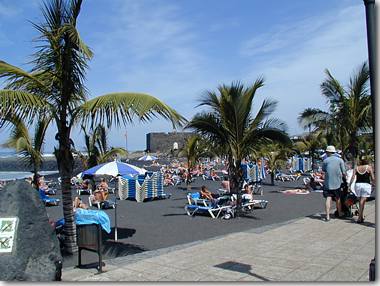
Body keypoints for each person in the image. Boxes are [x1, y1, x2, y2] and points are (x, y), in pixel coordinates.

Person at [321, 145, 346, 221]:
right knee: (338, 198)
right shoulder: (340, 160)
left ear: (328, 152)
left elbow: (324, 170)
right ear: (334, 152)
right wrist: (345, 179)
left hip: (327, 183)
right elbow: (344, 172)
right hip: (337, 183)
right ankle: (340, 213)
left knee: (328, 199)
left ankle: (328, 216)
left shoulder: (325, 161)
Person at [349, 157, 375, 223]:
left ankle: (361, 216)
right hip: (366, 185)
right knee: (362, 202)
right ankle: (359, 217)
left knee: (360, 201)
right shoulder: (369, 167)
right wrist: (374, 184)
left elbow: (353, 177)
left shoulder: (357, 167)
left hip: (358, 185)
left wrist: (349, 185)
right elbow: (372, 177)